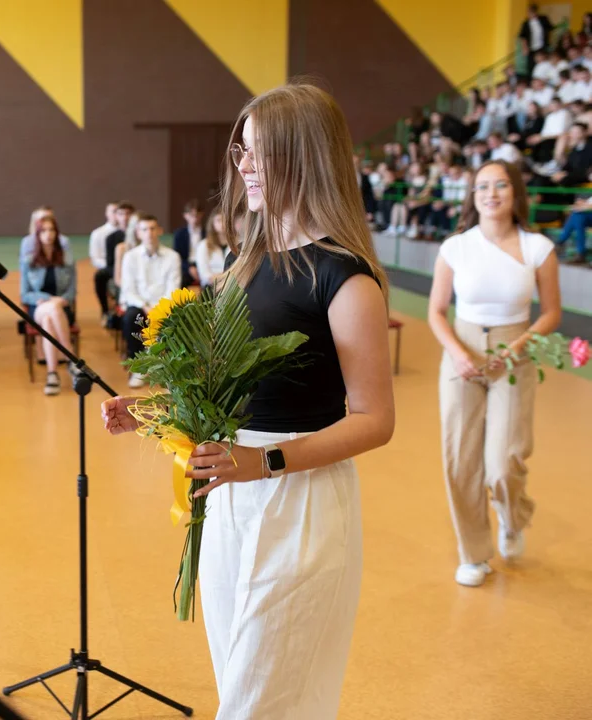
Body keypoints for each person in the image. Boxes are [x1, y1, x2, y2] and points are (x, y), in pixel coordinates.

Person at [101, 83, 395, 720]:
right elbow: (228, 385)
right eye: (242, 151)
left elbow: (375, 421)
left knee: (260, 701)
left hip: (299, 501)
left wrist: (264, 464)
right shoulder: (244, 260)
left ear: (303, 156)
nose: (243, 167)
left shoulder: (344, 277)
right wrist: (153, 410)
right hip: (230, 495)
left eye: (259, 153)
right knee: (241, 677)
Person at [427, 160, 561, 587]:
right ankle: (473, 554)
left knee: (505, 459)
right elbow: (436, 311)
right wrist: (458, 354)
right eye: (482, 186)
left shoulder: (539, 247)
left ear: (515, 193)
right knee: (460, 458)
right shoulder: (455, 247)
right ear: (473, 195)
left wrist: (516, 348)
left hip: (515, 351)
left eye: (500, 185)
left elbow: (552, 313)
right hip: (461, 351)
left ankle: (512, 515)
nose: (491, 193)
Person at [117, 214, 180, 389]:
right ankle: (139, 367)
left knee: (179, 319)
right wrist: (145, 306)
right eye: (145, 229)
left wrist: (159, 309)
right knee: (130, 318)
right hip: (140, 305)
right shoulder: (130, 257)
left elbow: (173, 288)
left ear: (159, 231)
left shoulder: (172, 256)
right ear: (138, 233)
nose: (149, 233)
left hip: (163, 305)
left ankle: (168, 368)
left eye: (153, 228)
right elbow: (128, 289)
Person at [20, 216, 77, 396]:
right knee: (48, 311)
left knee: (48, 320)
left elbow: (72, 291)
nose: (48, 234)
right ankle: (71, 359)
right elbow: (24, 294)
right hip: (38, 307)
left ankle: (52, 373)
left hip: (62, 308)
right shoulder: (29, 261)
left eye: (51, 230)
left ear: (57, 233)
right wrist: (47, 298)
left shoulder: (67, 259)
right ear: (37, 235)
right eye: (43, 231)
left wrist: (61, 300)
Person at [89, 202, 118, 321]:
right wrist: (112, 266)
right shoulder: (98, 233)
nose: (116, 215)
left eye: (119, 212)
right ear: (107, 213)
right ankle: (105, 310)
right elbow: (95, 258)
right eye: (113, 211)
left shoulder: (132, 232)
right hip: (108, 268)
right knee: (99, 276)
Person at [172, 199, 205, 286]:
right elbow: (177, 256)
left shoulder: (207, 233)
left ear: (201, 215)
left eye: (197, 215)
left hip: (203, 265)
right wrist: (189, 268)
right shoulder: (179, 234)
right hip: (186, 266)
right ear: (185, 216)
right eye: (191, 215)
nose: (194, 218)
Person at [194, 212, 230, 288]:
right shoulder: (203, 245)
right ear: (212, 223)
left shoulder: (236, 244)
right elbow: (204, 275)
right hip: (210, 287)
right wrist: (225, 277)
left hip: (231, 286)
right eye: (219, 220)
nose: (222, 223)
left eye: (225, 220)